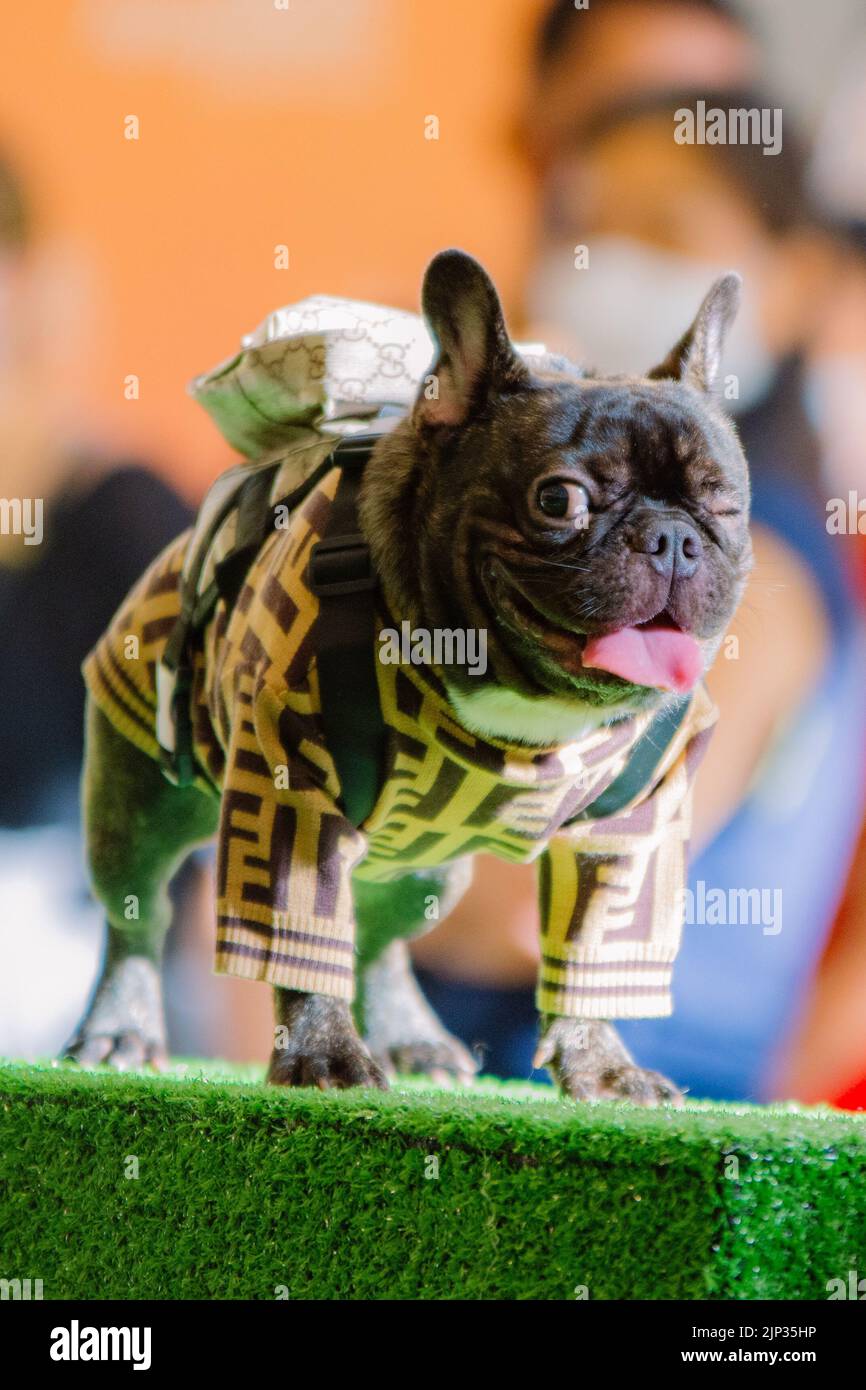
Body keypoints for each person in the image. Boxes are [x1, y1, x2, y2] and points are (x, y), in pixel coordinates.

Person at [414, 78, 866, 1101]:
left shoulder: (757, 565)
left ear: (792, 278)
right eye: (580, 225)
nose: (604, 264)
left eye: (663, 228)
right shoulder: (546, 530)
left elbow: (533, 908)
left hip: (612, 1131)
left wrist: (316, 878)